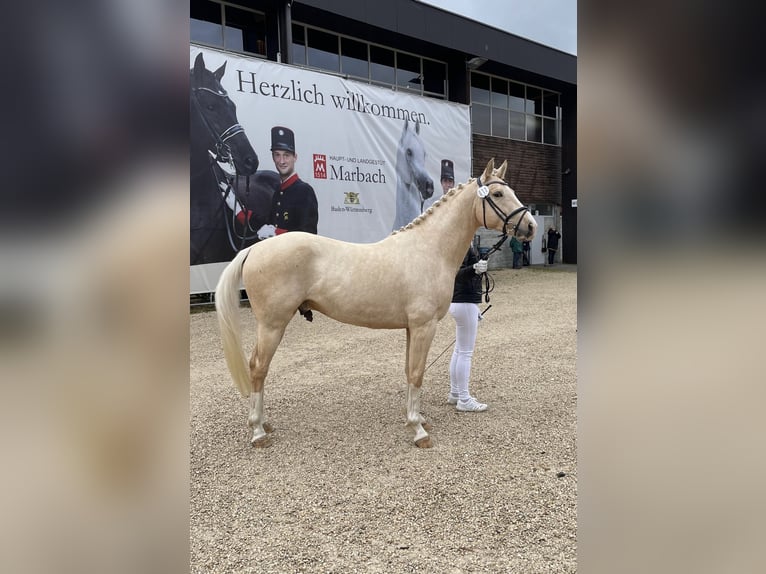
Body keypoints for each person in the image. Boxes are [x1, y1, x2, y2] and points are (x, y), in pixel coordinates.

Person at [446, 241, 489, 412]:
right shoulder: (462, 244)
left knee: (459, 350)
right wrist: (474, 269)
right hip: (464, 302)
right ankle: (464, 399)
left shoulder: (463, 243)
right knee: (465, 352)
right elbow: (455, 274)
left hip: (462, 302)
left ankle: (455, 393)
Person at [257, 126, 318, 240]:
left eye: (286, 155)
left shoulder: (304, 191)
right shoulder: (278, 192)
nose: (282, 161)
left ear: (295, 157)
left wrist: (276, 233)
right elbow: (268, 223)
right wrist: (240, 212)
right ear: (273, 157)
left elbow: (308, 235)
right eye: (277, 155)